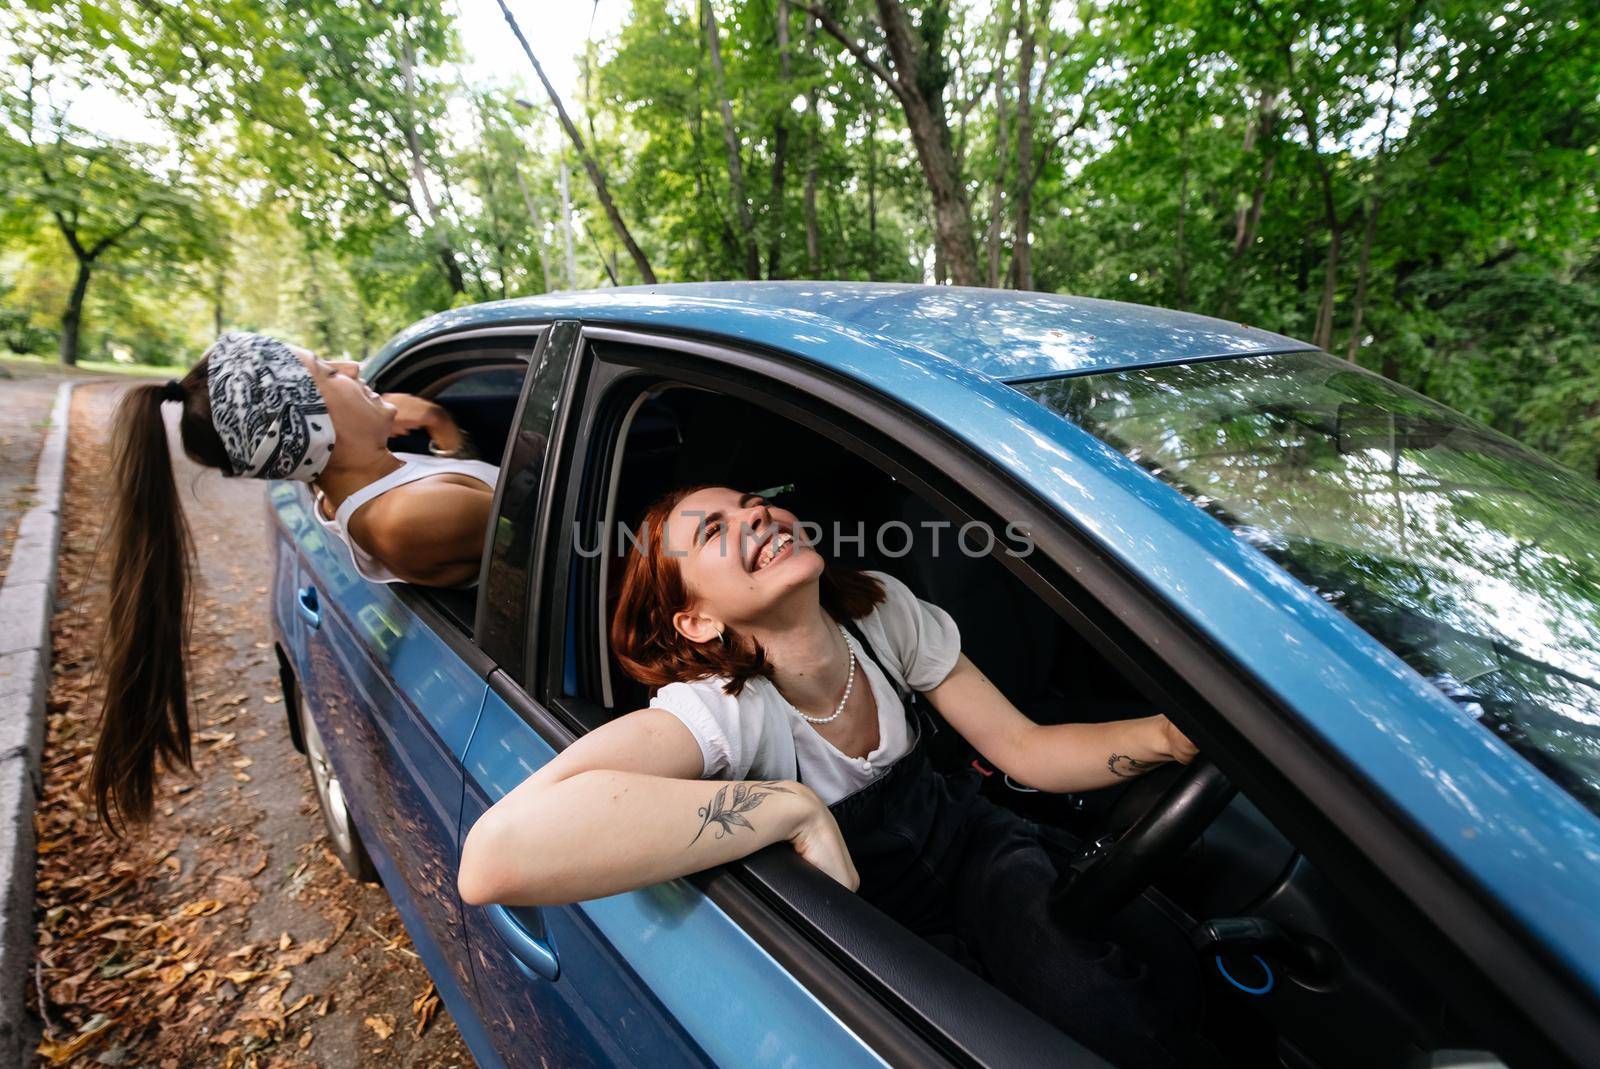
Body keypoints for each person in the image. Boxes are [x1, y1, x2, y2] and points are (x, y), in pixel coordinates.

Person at [457, 484, 1205, 1067]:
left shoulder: (882, 612)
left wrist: (1168, 736)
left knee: (1099, 992)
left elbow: (1024, 748)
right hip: (875, 930)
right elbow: (494, 856)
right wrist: (789, 803)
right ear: (696, 621)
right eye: (715, 530)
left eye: (753, 503)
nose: (757, 516)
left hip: (980, 850)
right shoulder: (725, 711)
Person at [92, 331, 497, 830]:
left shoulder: (359, 485)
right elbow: (566, 525)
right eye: (328, 373)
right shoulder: (405, 518)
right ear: (312, 427)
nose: (350, 366)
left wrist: (439, 424)